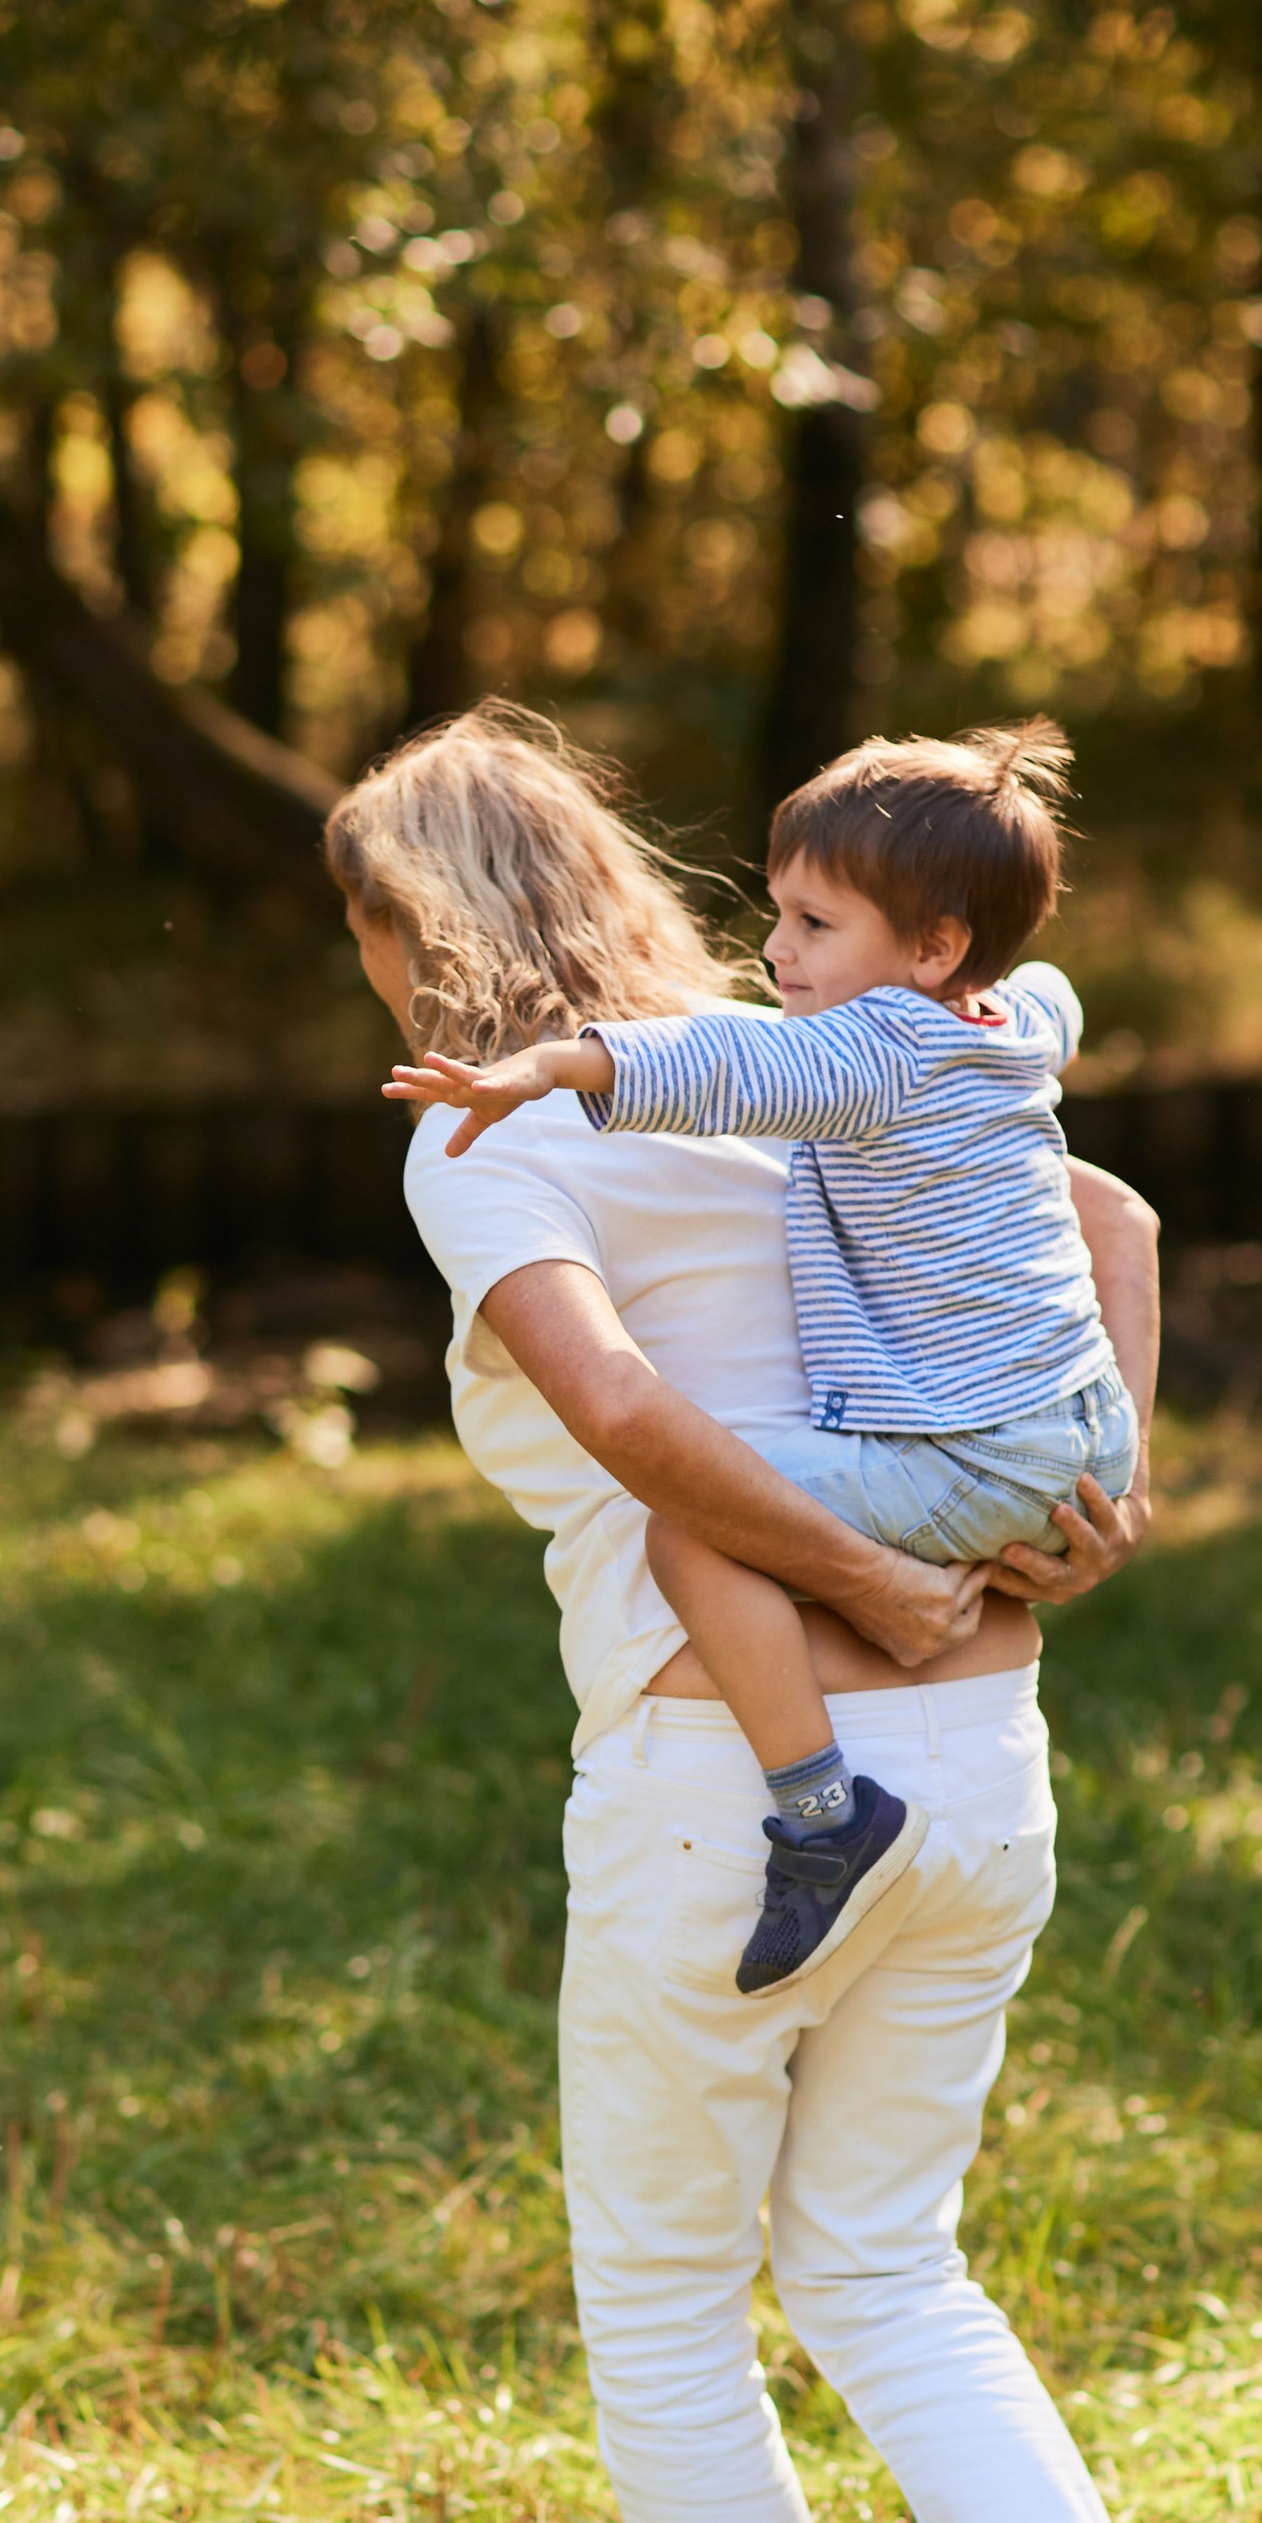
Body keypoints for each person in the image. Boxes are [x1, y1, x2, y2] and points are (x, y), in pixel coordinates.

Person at [326, 702, 1214, 2523]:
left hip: (736, 1776)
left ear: (401, 935)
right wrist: (1101, 1480)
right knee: (883, 2254)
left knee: (658, 2278)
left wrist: (856, 1575)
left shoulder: (491, 1141)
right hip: (984, 1758)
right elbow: (1108, 1209)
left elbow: (618, 1411)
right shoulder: (802, 1046)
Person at [388, 721, 1136, 1999]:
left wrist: (547, 1069)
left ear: (935, 947)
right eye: (776, 913)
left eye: (811, 923)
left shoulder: (859, 1051)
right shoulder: (1017, 1017)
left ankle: (819, 1811)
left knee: (689, 1530)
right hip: (1069, 1465)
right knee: (890, 2206)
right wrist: (1119, 1489)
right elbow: (1124, 1213)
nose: (776, 950)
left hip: (930, 1502)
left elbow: (709, 1061)